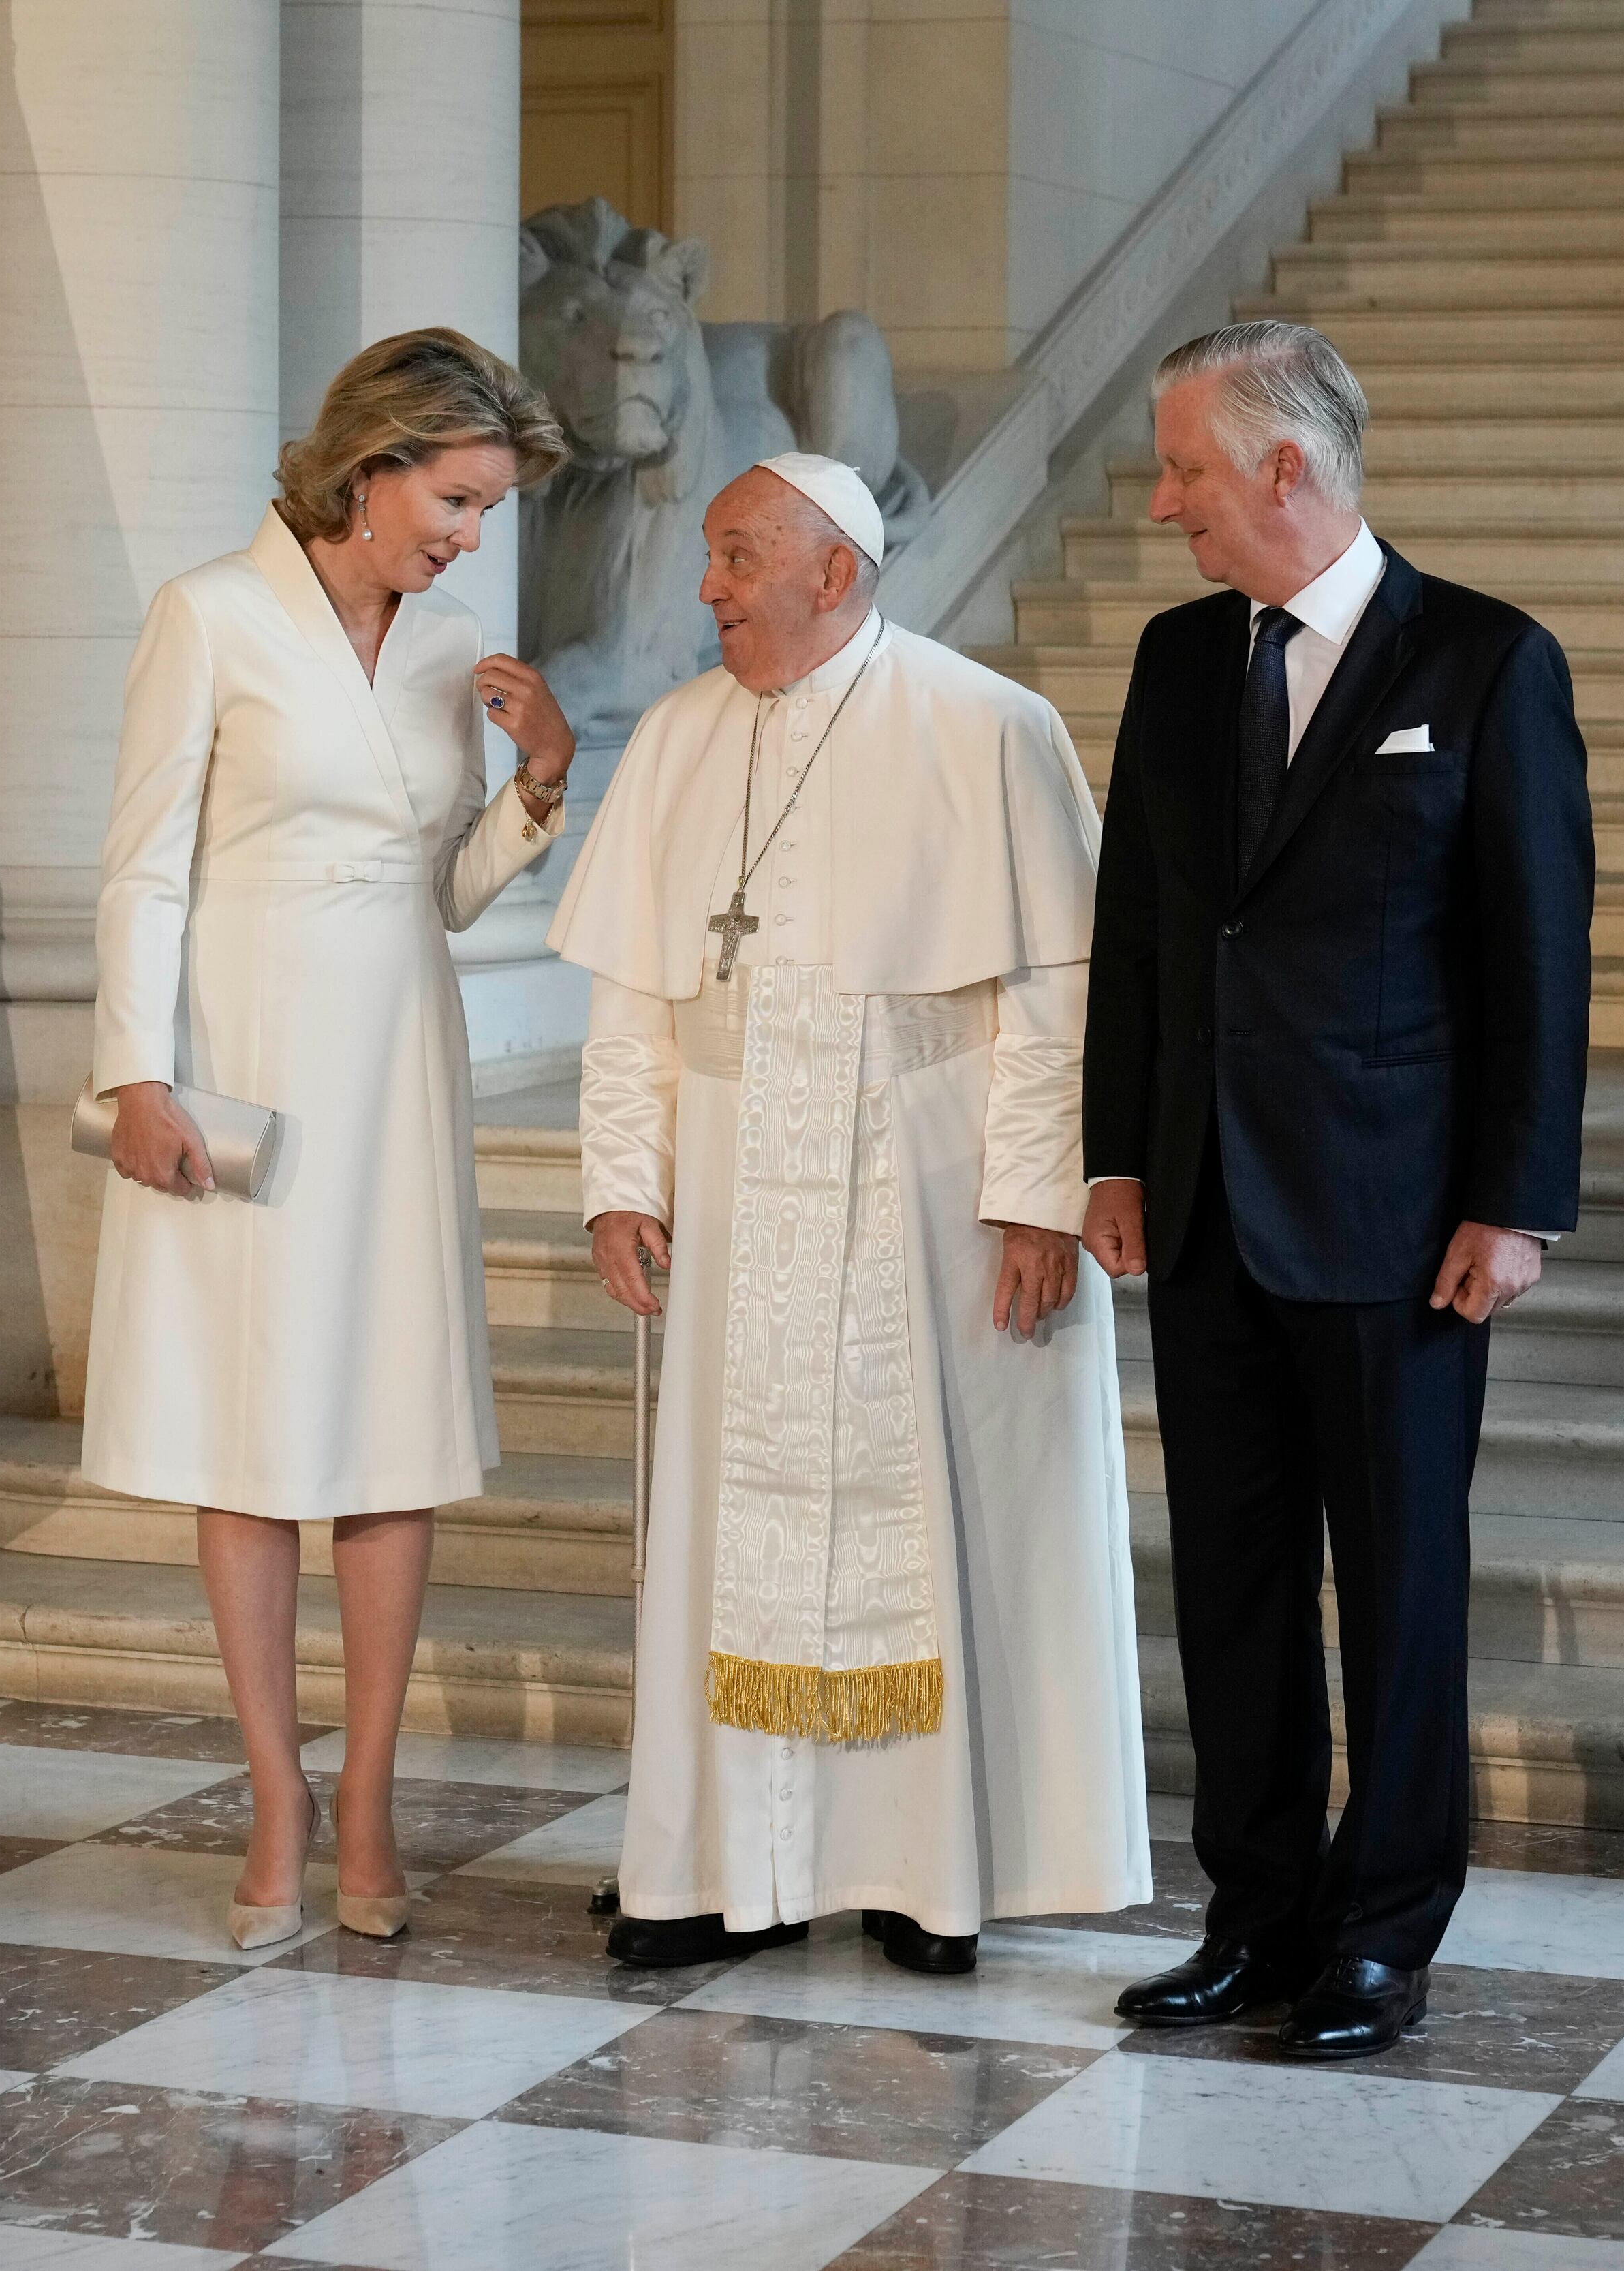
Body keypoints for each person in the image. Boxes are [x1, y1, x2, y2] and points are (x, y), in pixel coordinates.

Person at [552, 453, 1151, 1973]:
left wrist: (1034, 1194)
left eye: (737, 556)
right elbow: (633, 989)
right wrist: (622, 1174)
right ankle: (711, 1865)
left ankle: (917, 1866)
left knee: (931, 1530)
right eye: (709, 556)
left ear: (835, 573)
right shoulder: (682, 737)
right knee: (723, 1530)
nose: (707, 587)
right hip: (738, 1175)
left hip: (931, 1178)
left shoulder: (985, 723)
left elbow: (1054, 988)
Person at [1084, 322, 1593, 2058]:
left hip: (1396, 1223)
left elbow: (1537, 949)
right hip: (1211, 1204)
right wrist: (1117, 1151)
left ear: (1286, 471)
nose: (1168, 508)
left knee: (1393, 1586)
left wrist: (1513, 1200)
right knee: (1230, 1582)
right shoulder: (1171, 662)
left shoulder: (1488, 659)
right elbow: (1142, 928)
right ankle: (1256, 1913)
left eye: (1187, 475)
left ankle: (1382, 1931)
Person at [83, 330, 577, 1951]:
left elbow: (427, 894)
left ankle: (367, 1795)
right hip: (238, 1054)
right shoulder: (210, 616)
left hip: (394, 1056)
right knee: (247, 1432)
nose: (466, 537)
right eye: (453, 498)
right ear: (369, 466)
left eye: (486, 509)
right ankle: (274, 1795)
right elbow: (145, 866)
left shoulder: (455, 649)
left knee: (388, 1423)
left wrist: (536, 792)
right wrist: (134, 1073)